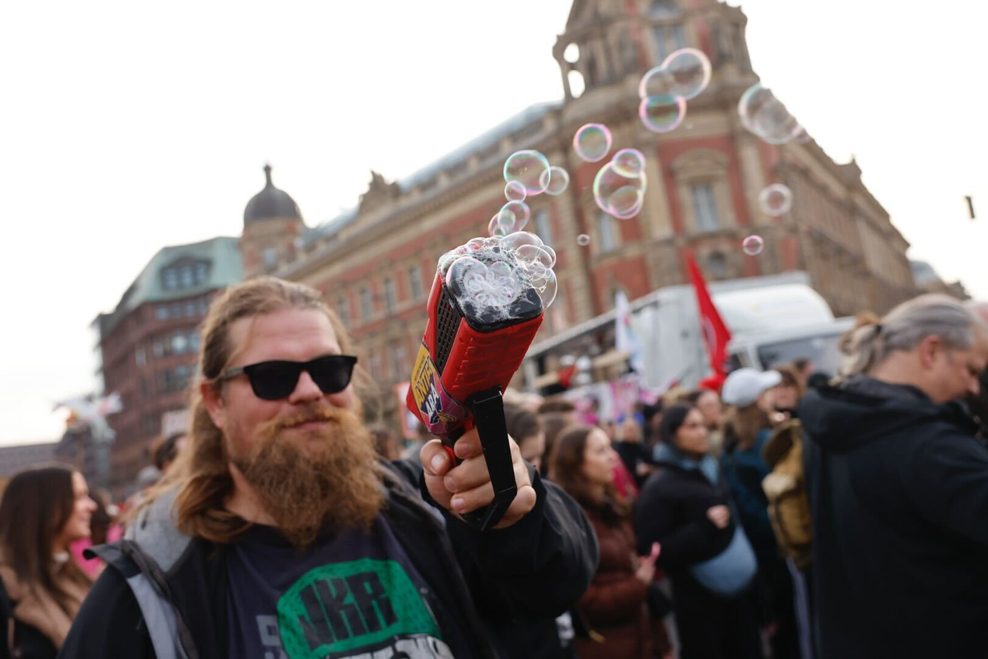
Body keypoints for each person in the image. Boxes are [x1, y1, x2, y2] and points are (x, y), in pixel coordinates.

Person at [60, 276, 597, 658]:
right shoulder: (151, 587)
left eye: (329, 370)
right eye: (273, 376)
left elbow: (554, 589)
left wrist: (512, 519)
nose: (309, 392)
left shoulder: (427, 505)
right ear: (216, 401)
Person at [801, 293, 988, 658]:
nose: (973, 388)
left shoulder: (827, 420)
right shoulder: (930, 446)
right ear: (930, 351)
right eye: (970, 369)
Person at [635, 404, 763, 659]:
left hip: (739, 602)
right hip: (700, 605)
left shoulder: (710, 468)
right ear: (672, 434)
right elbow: (652, 549)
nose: (702, 432)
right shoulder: (660, 487)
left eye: (702, 425)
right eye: (692, 426)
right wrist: (702, 528)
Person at [551, 424, 670, 659]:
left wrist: (662, 645)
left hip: (639, 636)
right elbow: (585, 602)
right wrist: (638, 583)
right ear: (576, 463)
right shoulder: (570, 521)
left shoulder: (609, 506)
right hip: (607, 646)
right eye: (601, 451)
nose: (613, 456)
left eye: (610, 448)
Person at [720, 368, 799, 659]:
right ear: (758, 400)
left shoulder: (732, 439)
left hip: (758, 543)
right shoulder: (763, 441)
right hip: (776, 543)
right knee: (788, 618)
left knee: (778, 618)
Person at [0, 465, 96, 658]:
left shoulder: (74, 577)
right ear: (47, 508)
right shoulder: (6, 588)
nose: (92, 506)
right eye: (79, 496)